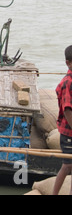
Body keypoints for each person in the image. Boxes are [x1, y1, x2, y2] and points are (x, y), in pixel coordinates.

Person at [53, 45, 72, 195]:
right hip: (69, 132)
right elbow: (67, 110)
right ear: (68, 63)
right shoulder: (68, 82)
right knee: (67, 165)